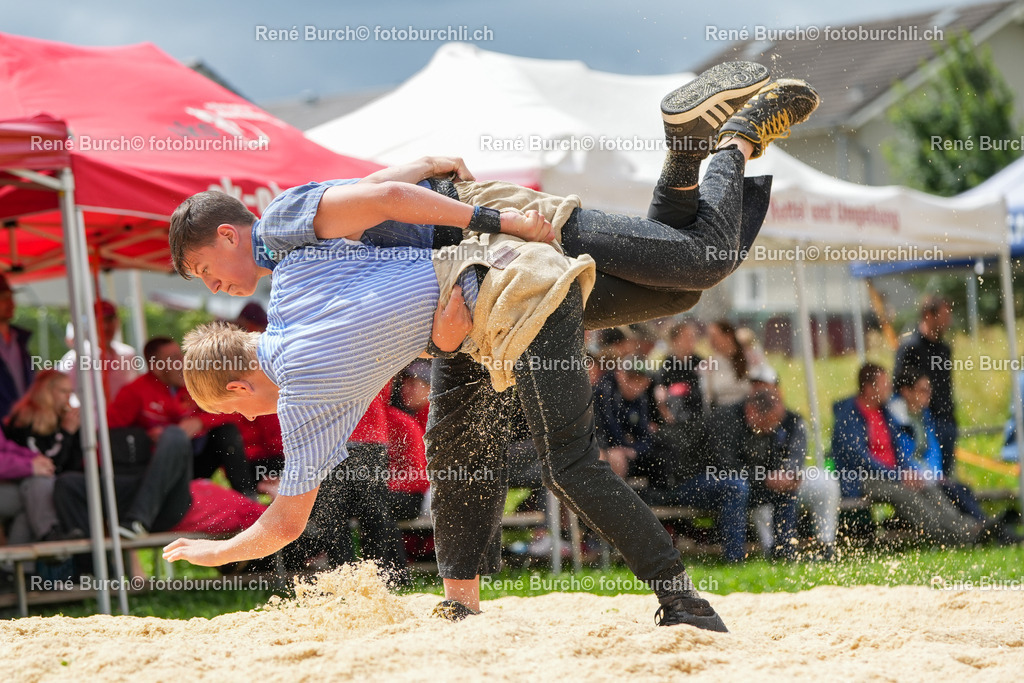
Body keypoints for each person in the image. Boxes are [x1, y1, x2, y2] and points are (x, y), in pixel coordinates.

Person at [165, 65, 821, 632]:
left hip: (496, 248)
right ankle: (459, 602)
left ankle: (728, 140)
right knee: (458, 438)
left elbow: (381, 200)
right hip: (472, 289)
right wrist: (428, 195)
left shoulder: (283, 252)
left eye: (202, 271)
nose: (213, 285)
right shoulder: (291, 280)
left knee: (697, 262)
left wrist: (494, 222)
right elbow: (372, 207)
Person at [831, 364, 1017, 547]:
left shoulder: (884, 412)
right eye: (884, 384)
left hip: (892, 473)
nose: (889, 388)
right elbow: (859, 459)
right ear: (869, 387)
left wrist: (907, 471)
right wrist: (898, 475)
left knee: (928, 488)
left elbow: (898, 450)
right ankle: (961, 537)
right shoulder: (850, 415)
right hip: (865, 478)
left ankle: (970, 528)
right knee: (906, 495)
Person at [107, 337, 256, 500]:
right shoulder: (134, 392)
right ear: (157, 368)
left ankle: (248, 499)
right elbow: (110, 434)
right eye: (173, 359)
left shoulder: (195, 385)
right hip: (158, 472)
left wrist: (201, 422)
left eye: (181, 355)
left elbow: (233, 412)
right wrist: (146, 438)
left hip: (193, 463)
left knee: (226, 432)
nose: (183, 363)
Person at [707, 387, 801, 560]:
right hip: (704, 482)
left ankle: (785, 552)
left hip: (746, 483)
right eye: (767, 423)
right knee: (736, 487)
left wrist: (784, 477)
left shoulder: (767, 426)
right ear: (751, 411)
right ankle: (734, 558)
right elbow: (726, 468)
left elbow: (772, 463)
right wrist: (765, 479)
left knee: (785, 490)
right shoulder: (725, 419)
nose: (770, 429)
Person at [889, 366, 986, 522]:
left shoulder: (925, 416)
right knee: (951, 492)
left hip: (929, 476)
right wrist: (927, 475)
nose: (928, 395)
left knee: (961, 490)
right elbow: (902, 455)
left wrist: (935, 474)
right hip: (912, 477)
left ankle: (982, 525)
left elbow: (933, 450)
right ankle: (976, 528)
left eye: (929, 390)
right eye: (922, 390)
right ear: (906, 392)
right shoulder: (894, 420)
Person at [3, 370, 83, 541]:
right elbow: (52, 466)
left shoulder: (68, 419)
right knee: (38, 487)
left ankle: (16, 566)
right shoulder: (25, 419)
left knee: (31, 505)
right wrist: (66, 434)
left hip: (36, 486)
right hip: (22, 483)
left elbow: (7, 448)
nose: (68, 397)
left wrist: (34, 460)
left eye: (71, 391)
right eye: (63, 391)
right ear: (46, 391)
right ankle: (49, 534)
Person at [894, 296, 958, 478]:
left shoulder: (944, 349)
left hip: (945, 421)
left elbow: (946, 387)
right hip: (921, 421)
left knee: (945, 480)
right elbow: (899, 387)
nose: (948, 321)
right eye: (944, 316)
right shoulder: (910, 348)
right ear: (929, 315)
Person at [59, 299, 142, 403]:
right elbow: (61, 392)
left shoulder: (128, 354)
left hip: (123, 418)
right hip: (90, 418)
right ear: (90, 324)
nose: (106, 327)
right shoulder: (76, 357)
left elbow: (137, 389)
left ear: (117, 322)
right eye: (100, 321)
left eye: (110, 320)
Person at [0, 274, 33, 421]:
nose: (11, 303)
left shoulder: (19, 339)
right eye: (3, 298)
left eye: (11, 297)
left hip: (21, 425)